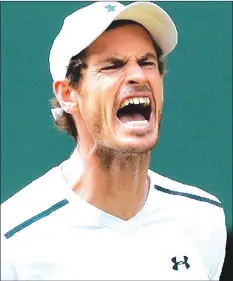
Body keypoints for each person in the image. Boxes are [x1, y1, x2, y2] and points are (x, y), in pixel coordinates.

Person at [1, 1, 227, 280]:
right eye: (112, 65)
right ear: (68, 94)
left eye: (147, 63)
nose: (137, 76)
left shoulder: (204, 219)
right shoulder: (12, 239)